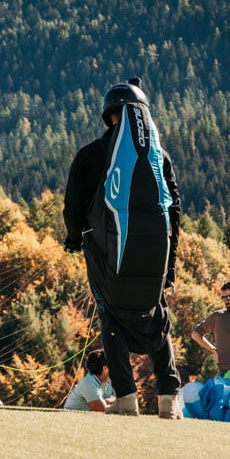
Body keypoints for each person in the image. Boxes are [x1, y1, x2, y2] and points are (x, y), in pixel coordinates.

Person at [63, 78, 183, 418]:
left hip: (109, 256)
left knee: (111, 318)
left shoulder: (90, 154)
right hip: (156, 261)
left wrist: (73, 239)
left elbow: (73, 208)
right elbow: (175, 212)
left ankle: (127, 400)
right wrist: (169, 267)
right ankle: (169, 401)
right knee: (158, 318)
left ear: (108, 115)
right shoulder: (160, 157)